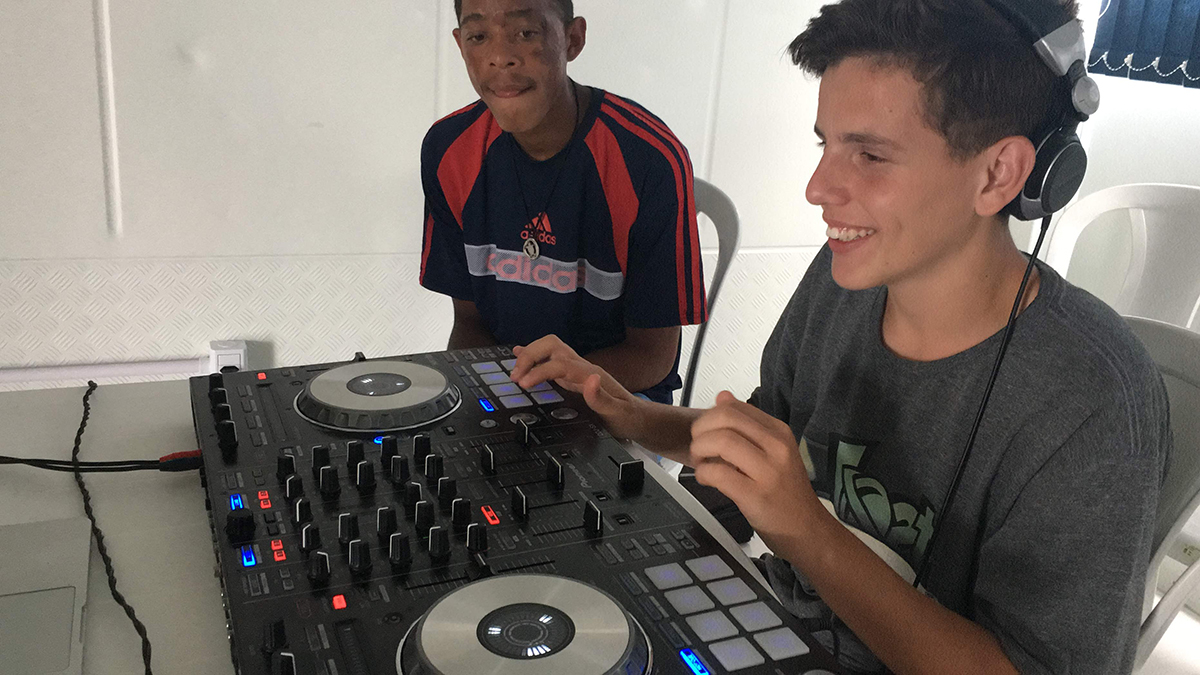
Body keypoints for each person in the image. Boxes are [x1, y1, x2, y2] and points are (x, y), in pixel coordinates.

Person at [509, 0, 1173, 672]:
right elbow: (764, 445)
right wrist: (628, 413)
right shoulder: (840, 283)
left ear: (999, 174)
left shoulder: (1091, 399)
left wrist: (809, 534)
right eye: (824, 145)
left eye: (871, 155)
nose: (817, 187)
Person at [420, 0, 706, 404]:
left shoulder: (648, 159)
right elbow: (470, 322)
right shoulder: (448, 150)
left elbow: (651, 356)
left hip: (621, 398)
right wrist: (485, 402)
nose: (500, 58)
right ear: (461, 45)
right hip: (507, 390)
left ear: (573, 39)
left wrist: (542, 395)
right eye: (478, 36)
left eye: (526, 33)